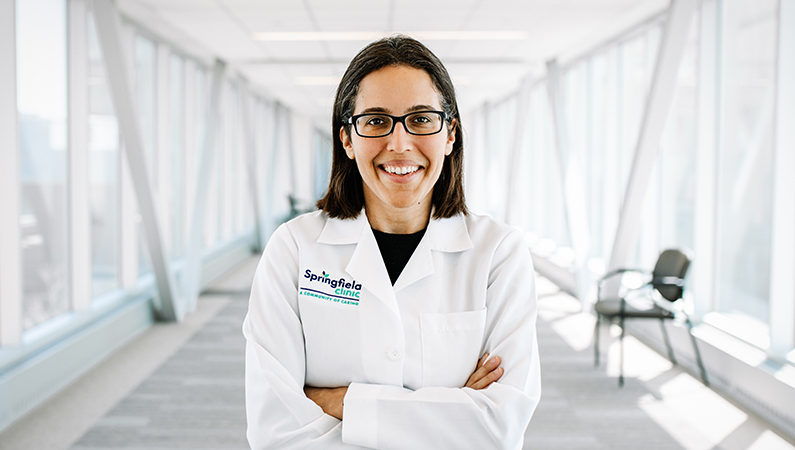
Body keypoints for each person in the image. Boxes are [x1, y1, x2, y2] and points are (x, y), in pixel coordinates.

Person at [243, 35, 541, 449]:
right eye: (376, 121)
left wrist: (344, 402)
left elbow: (498, 428)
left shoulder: (498, 253)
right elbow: (275, 431)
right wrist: (454, 408)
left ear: (450, 134)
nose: (399, 144)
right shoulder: (293, 250)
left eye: (420, 119)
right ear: (347, 138)